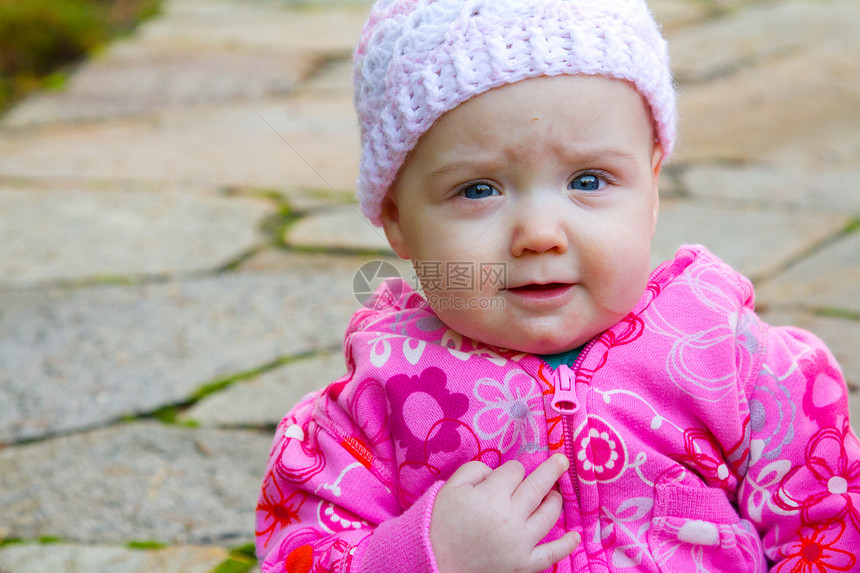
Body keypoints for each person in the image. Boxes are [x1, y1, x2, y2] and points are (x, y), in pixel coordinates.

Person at [255, 0, 860, 571]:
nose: (539, 234)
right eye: (478, 190)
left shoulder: (733, 361)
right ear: (397, 221)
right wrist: (424, 553)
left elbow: (826, 519)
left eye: (590, 180)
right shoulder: (374, 408)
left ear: (652, 188)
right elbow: (303, 550)